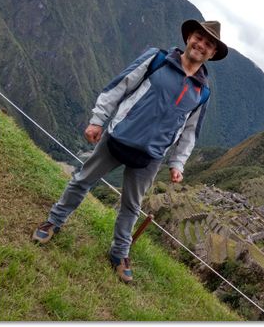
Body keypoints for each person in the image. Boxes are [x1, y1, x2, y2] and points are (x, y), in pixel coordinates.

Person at [32, 19, 228, 284]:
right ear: (188, 38)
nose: (201, 45)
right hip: (118, 137)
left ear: (213, 53)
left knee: (131, 206)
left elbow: (190, 131)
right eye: (198, 38)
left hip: (150, 156)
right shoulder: (157, 60)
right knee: (82, 181)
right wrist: (97, 119)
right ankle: (53, 222)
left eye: (208, 44)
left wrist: (177, 163)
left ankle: (119, 253)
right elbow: (120, 85)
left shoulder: (202, 92)